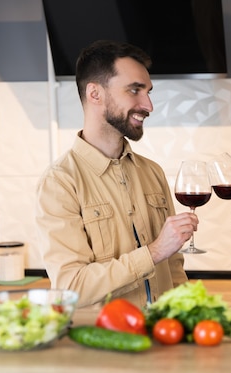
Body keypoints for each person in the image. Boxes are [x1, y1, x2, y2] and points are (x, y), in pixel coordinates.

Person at [36, 40, 197, 309]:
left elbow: (173, 266)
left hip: (165, 333)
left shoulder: (152, 172)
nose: (148, 105)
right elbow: (70, 287)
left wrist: (187, 315)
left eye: (148, 92)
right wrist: (154, 251)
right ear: (95, 94)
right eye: (135, 90)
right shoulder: (60, 182)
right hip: (105, 342)